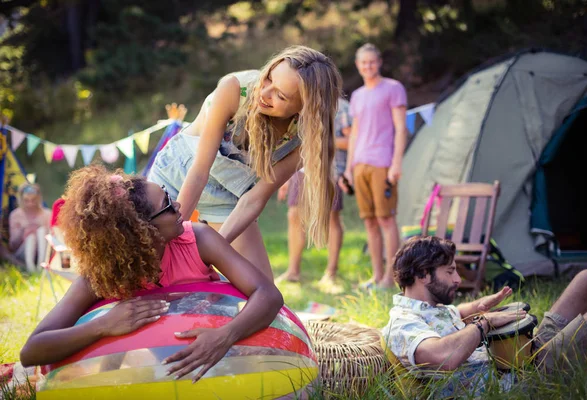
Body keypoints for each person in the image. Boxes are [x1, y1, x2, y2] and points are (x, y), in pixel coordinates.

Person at [20, 165, 284, 383]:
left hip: (216, 362)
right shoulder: (104, 275)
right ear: (141, 230)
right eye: (167, 204)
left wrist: (225, 335)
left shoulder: (198, 239)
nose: (179, 205)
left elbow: (268, 294)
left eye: (169, 196)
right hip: (149, 372)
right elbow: (32, 351)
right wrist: (103, 326)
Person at [148, 46, 343, 281]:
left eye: (280, 95)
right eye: (269, 78)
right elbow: (199, 171)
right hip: (180, 172)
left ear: (305, 109)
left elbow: (255, 198)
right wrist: (178, 243)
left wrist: (211, 251)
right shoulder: (234, 89)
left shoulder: (307, 137)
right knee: (153, 266)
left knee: (261, 287)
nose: (265, 92)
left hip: (230, 195)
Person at [382, 236, 587, 397]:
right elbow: (442, 356)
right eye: (450, 272)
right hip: (519, 382)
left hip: (519, 357)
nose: (458, 279)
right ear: (422, 274)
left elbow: (458, 313)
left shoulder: (430, 309)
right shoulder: (403, 323)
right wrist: (484, 323)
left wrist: (480, 306)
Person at [341, 43, 407, 289]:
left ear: (378, 62)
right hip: (360, 164)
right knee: (369, 222)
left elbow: (401, 128)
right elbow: (355, 134)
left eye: (371, 61)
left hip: (383, 162)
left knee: (386, 220)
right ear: (358, 65)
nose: (367, 66)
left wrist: (396, 163)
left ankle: (392, 277)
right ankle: (377, 276)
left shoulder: (393, 88)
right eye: (363, 62)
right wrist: (349, 167)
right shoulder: (357, 95)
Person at [277, 97, 352, 287]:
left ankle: (331, 272)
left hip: (330, 170)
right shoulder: (301, 104)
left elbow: (350, 142)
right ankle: (293, 271)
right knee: (294, 215)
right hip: (300, 169)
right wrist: (284, 177)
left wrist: (323, 138)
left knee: (331, 218)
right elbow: (291, 141)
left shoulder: (341, 107)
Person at [8, 183, 51, 272]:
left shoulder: (47, 214)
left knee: (42, 230)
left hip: (43, 249)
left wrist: (42, 230)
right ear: (21, 199)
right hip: (23, 251)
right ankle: (30, 269)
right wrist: (23, 231)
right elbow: (12, 245)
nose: (30, 204)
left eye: (33, 200)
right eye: (27, 200)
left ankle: (41, 266)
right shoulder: (15, 215)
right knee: (31, 237)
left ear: (39, 198)